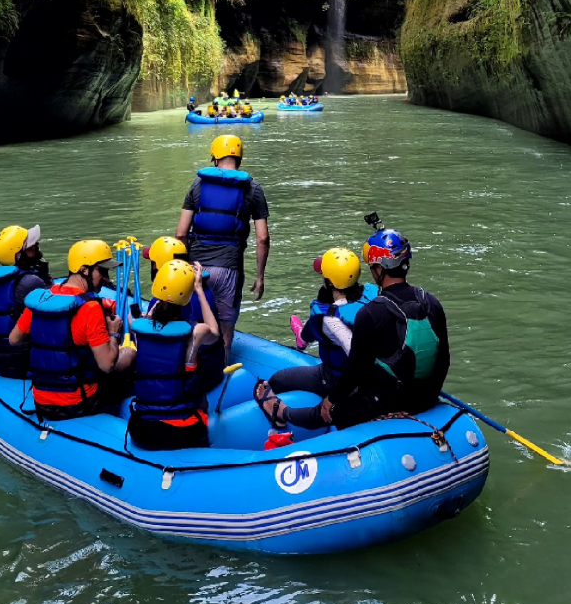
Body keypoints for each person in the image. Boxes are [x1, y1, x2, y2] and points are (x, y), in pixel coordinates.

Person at [257, 227, 449, 430]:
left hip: (389, 401)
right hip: (425, 396)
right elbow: (443, 359)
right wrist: (430, 396)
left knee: (326, 412)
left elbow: (355, 370)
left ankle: (281, 412)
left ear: (379, 268)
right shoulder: (430, 301)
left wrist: (331, 400)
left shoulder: (371, 313)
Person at [9, 240, 133, 421]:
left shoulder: (43, 298)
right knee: (128, 354)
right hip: (80, 403)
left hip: (41, 400)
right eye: (103, 271)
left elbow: (14, 339)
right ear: (84, 270)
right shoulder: (91, 308)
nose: (107, 278)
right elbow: (106, 365)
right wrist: (113, 333)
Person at [255, 249, 378, 430]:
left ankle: (281, 414)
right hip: (371, 376)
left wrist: (337, 395)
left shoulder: (329, 317)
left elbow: (356, 355)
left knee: (276, 380)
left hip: (338, 380)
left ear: (328, 281)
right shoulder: (371, 294)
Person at [176, 134, 269, 353]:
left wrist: (181, 265)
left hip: (196, 267)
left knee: (192, 323)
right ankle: (222, 375)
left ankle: (190, 371)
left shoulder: (198, 185)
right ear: (240, 159)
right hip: (229, 269)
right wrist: (260, 276)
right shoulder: (252, 188)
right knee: (226, 331)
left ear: (215, 158)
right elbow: (262, 238)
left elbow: (181, 234)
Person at [124, 260, 220, 450]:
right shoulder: (195, 333)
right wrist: (199, 289)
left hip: (143, 429)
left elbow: (154, 321)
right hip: (182, 432)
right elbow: (215, 333)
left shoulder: (135, 325)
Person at [142, 236, 226, 391]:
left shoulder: (156, 305)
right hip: (214, 369)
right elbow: (212, 331)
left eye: (153, 263)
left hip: (185, 379)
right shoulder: (206, 292)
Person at [0, 225, 52, 379]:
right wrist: (46, 278)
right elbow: (57, 309)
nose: (36, 249)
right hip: (26, 364)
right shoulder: (30, 282)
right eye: (31, 247)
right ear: (18, 256)